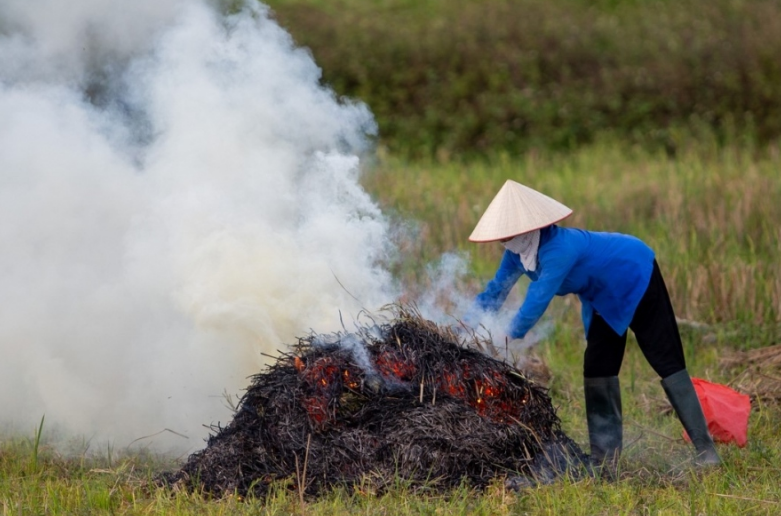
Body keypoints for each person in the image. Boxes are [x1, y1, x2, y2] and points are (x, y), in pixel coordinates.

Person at [464, 179, 721, 471]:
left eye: (508, 234)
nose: (504, 241)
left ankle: (706, 451)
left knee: (664, 357)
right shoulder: (516, 256)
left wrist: (508, 336)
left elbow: (536, 300)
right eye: (502, 236)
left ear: (528, 228)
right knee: (598, 366)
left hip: (636, 272)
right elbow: (494, 291)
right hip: (602, 295)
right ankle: (605, 461)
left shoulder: (559, 248)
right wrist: (465, 327)